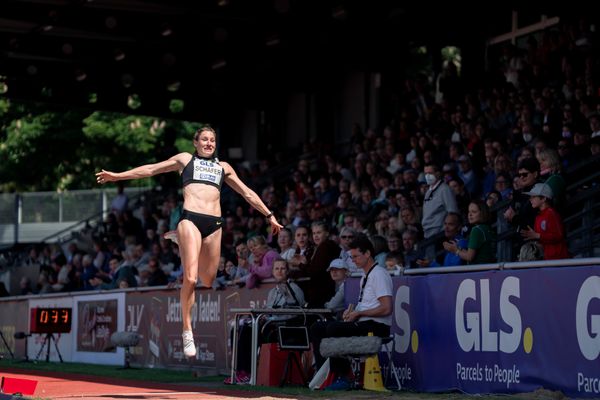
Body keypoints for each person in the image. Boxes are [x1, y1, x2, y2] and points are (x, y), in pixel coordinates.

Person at [96, 125, 283, 358]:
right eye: (204, 139)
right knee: (191, 278)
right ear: (195, 142)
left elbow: (247, 193)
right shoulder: (184, 160)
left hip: (214, 224)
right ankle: (187, 330)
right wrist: (118, 176)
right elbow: (151, 169)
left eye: (212, 140)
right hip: (190, 220)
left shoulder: (223, 168)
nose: (208, 143)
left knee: (208, 279)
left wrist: (269, 215)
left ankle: (182, 243)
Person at [310, 234, 393, 391]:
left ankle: (344, 377)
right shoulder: (365, 276)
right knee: (317, 327)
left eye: (355, 256)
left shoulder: (379, 274)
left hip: (377, 326)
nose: (353, 260)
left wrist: (359, 314)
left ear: (367, 254)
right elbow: (369, 306)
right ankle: (325, 376)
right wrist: (353, 312)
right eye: (351, 256)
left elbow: (387, 308)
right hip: (365, 322)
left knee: (334, 328)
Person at [520, 183, 569, 260]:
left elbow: (559, 235)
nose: (530, 199)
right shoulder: (539, 216)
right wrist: (535, 236)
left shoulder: (551, 214)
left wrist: (538, 235)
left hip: (558, 259)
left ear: (543, 199)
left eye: (534, 197)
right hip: (546, 258)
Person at [444, 200, 496, 265]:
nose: (470, 215)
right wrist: (458, 248)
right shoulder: (487, 228)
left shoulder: (476, 230)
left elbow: (469, 257)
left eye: (474, 212)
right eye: (469, 212)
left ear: (482, 213)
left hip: (480, 271)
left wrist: (455, 250)